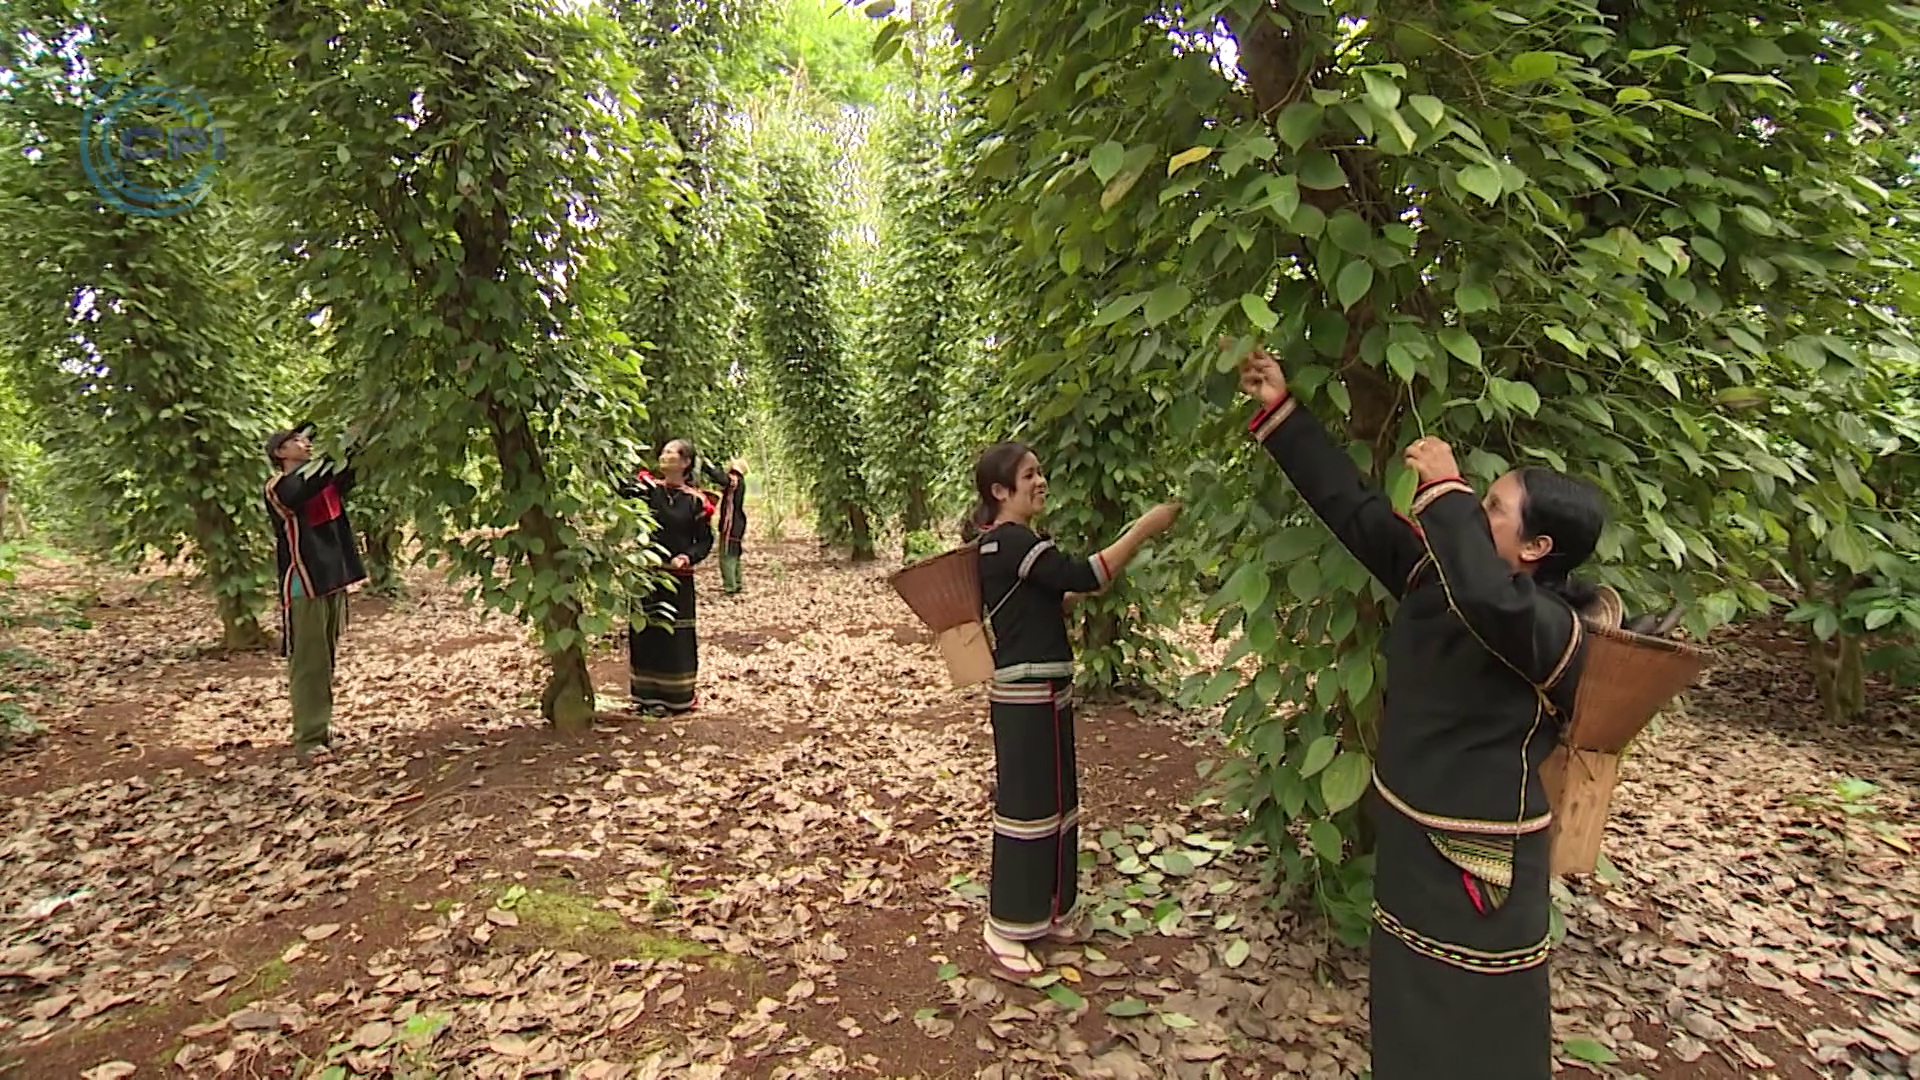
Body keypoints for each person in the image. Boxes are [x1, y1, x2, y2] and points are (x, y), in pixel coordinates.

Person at [1236, 346, 1605, 1079]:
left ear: (1537, 548)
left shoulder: (1555, 628)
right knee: (1410, 1013)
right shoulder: (1445, 582)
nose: (1470, 511)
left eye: (1490, 508)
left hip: (1480, 863)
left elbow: (1488, 600)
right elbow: (1358, 512)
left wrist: (1445, 490)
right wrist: (1282, 412)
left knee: (1477, 1027)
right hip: (1413, 841)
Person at [969, 441, 1182, 978]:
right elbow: (1089, 576)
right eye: (1029, 475)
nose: (1041, 482)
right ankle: (1005, 926)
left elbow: (1056, 593)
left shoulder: (1005, 545)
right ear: (1000, 492)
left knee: (1059, 800)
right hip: (1024, 692)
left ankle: (1051, 909)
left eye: (1041, 472)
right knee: (1026, 809)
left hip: (1044, 687)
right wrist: (1146, 527)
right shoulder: (1013, 542)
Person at [263, 422, 367, 766]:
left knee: (327, 661)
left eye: (306, 439)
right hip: (304, 584)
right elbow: (309, 483)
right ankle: (308, 739)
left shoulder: (319, 479)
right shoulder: (280, 487)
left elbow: (348, 469)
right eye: (296, 440)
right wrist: (345, 443)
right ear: (280, 453)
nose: (305, 444)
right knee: (309, 663)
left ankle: (321, 730)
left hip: (332, 581)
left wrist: (365, 430)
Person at [619, 439, 716, 715]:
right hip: (645, 574)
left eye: (671, 453)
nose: (664, 457)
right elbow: (621, 490)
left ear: (685, 463)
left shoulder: (695, 501)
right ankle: (645, 697)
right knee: (645, 632)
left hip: (678, 578)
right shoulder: (648, 490)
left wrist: (687, 556)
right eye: (662, 452)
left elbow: (704, 541)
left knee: (676, 635)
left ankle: (678, 698)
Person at [701, 458, 748, 596]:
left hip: (731, 522)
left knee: (727, 554)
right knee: (735, 551)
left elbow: (721, 478)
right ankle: (737, 583)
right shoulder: (740, 482)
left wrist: (708, 466)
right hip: (738, 521)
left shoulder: (734, 481)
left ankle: (730, 586)